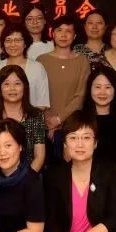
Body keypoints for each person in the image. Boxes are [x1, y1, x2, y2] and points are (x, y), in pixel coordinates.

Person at [0, 65, 48, 172]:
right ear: (0, 88)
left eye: (17, 83)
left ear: (25, 87)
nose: (12, 88)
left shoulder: (36, 115)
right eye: (6, 84)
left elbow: (39, 157)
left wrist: (27, 178)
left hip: (28, 175)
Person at [38, 17, 90, 146]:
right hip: (44, 125)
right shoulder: (42, 60)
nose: (63, 35)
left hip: (72, 126)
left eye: (68, 31)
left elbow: (81, 95)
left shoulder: (82, 61)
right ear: (53, 34)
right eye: (59, 30)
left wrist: (59, 119)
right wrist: (49, 121)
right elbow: (38, 94)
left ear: (74, 36)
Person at [81, 68, 116, 167]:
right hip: (84, 174)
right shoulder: (80, 119)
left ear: (115, 90)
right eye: (98, 87)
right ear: (90, 89)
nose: (102, 92)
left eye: (107, 87)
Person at [0, 23, 51, 110]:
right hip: (1, 117)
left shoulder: (37, 68)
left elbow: (42, 102)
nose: (13, 44)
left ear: (25, 44)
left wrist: (29, 117)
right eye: (8, 40)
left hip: (32, 117)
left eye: (17, 40)